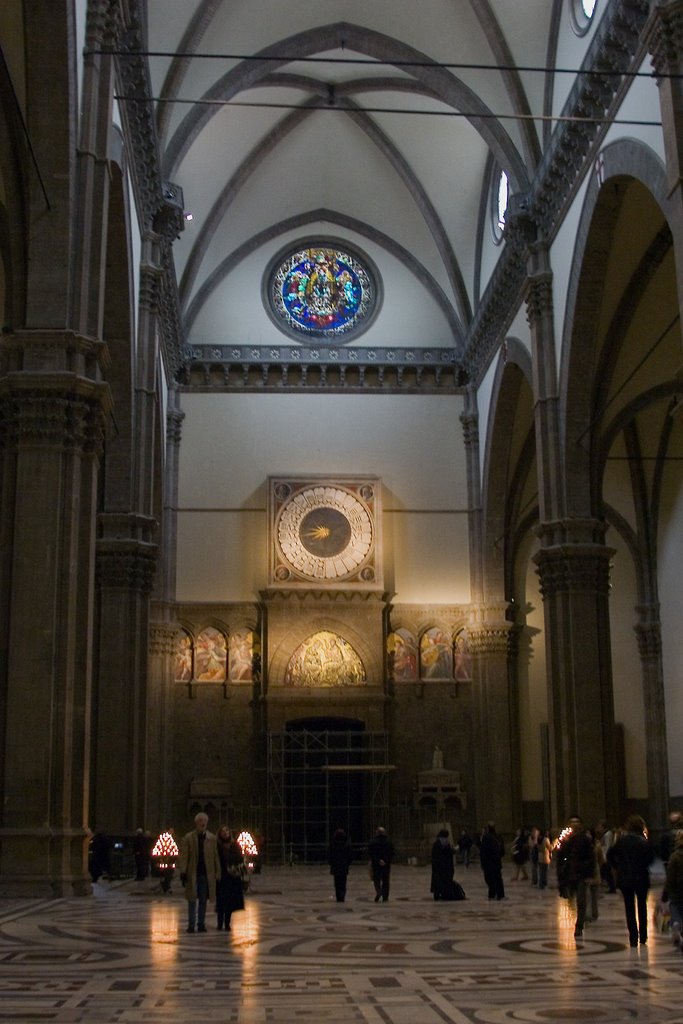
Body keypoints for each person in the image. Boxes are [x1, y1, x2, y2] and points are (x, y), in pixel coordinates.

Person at [607, 814, 654, 948]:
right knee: (642, 906)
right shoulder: (643, 842)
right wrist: (643, 866)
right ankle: (643, 936)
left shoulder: (622, 841)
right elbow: (651, 858)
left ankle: (633, 937)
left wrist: (618, 866)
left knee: (629, 908)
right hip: (641, 877)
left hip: (626, 878)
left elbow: (610, 855)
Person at [178, 812, 220, 933]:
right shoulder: (189, 837)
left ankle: (201, 923)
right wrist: (183, 871)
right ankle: (191, 925)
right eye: (200, 820)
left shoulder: (211, 838)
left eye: (204, 821)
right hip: (193, 873)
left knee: (203, 900)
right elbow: (184, 855)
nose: (202, 823)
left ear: (207, 822)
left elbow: (215, 856)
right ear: (196, 823)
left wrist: (217, 872)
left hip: (205, 874)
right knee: (192, 899)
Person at [555, 816, 595, 939]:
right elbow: (560, 858)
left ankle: (579, 925)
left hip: (580, 874)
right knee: (570, 899)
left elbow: (591, 858)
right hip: (569, 874)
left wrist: (588, 873)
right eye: (572, 822)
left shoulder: (585, 840)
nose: (575, 824)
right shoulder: (565, 840)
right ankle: (577, 920)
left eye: (577, 822)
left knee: (581, 901)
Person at [215, 825, 245, 930]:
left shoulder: (234, 845)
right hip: (221, 876)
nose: (225, 833)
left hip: (232, 876)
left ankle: (227, 923)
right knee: (221, 901)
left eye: (227, 830)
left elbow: (240, 858)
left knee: (229, 902)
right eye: (222, 831)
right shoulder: (217, 845)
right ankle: (219, 923)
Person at [663, 830, 683, 951]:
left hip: (677, 888)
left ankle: (676, 922)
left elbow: (670, 877)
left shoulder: (675, 856)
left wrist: (665, 893)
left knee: (675, 907)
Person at [479, 822, 505, 900]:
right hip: (496, 861)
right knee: (498, 878)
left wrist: (483, 863)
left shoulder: (486, 838)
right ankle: (500, 894)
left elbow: (483, 852)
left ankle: (493, 894)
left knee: (490, 879)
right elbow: (502, 850)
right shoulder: (498, 837)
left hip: (489, 862)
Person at [368, 827, 394, 903]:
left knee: (377, 879)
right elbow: (392, 853)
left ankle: (378, 891)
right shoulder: (389, 842)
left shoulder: (372, 842)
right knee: (386, 880)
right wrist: (386, 860)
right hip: (386, 864)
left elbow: (370, 853)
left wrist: (378, 860)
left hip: (376, 864)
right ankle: (385, 896)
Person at [328, 827, 353, 902]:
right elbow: (350, 856)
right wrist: (348, 863)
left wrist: (331, 863)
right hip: (344, 866)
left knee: (337, 883)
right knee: (343, 882)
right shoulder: (346, 845)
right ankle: (342, 895)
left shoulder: (332, 844)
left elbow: (329, 855)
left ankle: (338, 896)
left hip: (335, 866)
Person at [430, 828, 456, 900]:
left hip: (439, 867)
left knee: (438, 882)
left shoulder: (437, 844)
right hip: (445, 867)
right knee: (444, 881)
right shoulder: (446, 844)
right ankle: (444, 894)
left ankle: (438, 894)